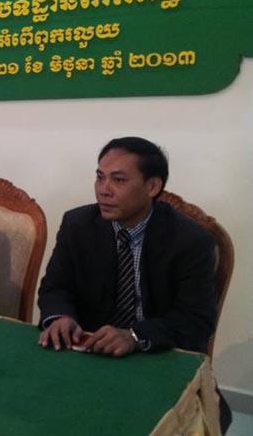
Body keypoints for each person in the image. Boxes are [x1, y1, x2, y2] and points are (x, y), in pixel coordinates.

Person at [37, 137, 231, 432]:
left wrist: (135, 336)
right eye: (100, 177)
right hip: (90, 354)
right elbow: (55, 287)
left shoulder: (190, 240)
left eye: (118, 180)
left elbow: (196, 319)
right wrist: (60, 316)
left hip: (157, 357)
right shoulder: (78, 224)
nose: (103, 189)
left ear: (152, 187)